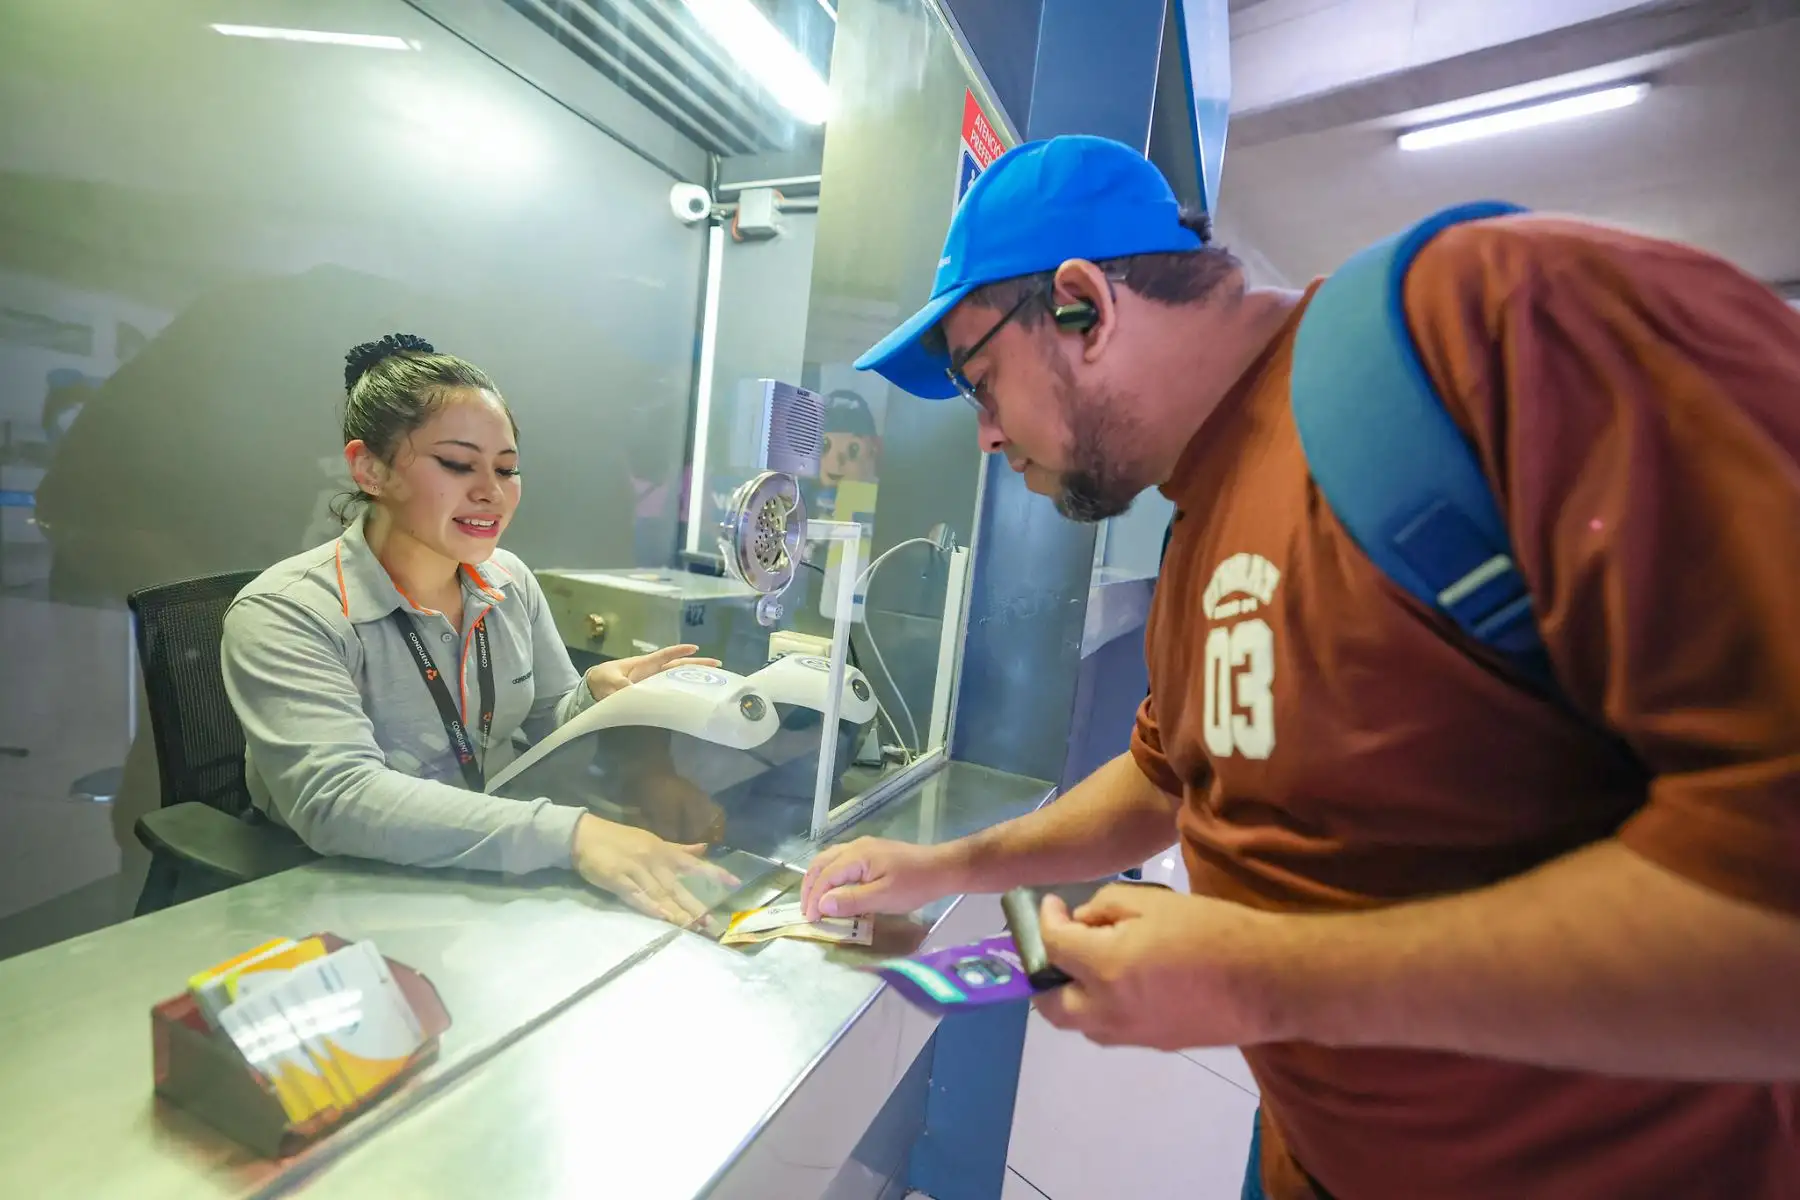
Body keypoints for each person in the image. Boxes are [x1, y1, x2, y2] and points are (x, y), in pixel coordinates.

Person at [801, 136, 1800, 1198]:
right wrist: (953, 868)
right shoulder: (1199, 521)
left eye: (978, 380)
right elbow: (1172, 774)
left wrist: (1264, 981)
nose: (987, 437)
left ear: (1084, 305)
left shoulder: (1495, 327)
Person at [223, 333, 735, 926]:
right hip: (342, 889)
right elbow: (337, 800)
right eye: (458, 464)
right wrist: (574, 836)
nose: (491, 491)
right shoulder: (285, 612)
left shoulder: (508, 580)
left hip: (491, 867)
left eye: (507, 468)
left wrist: (593, 699)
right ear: (370, 468)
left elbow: (544, 729)